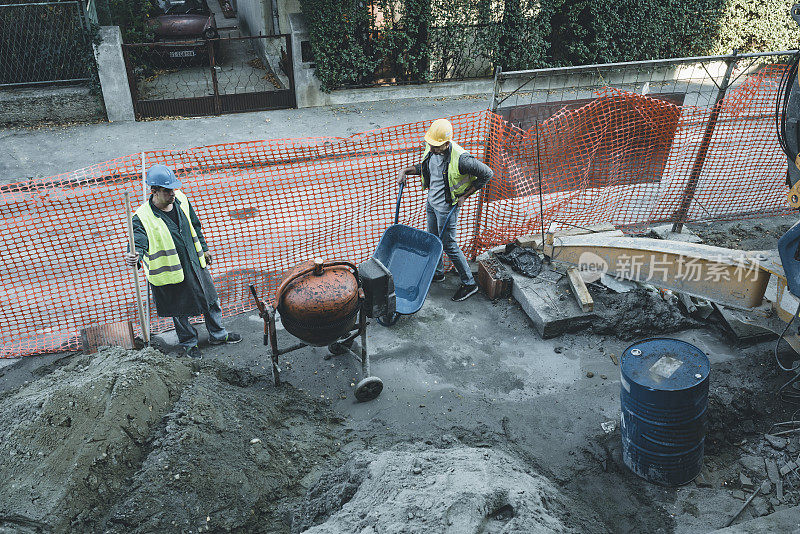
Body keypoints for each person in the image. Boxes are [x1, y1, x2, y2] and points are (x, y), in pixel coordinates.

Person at [123, 164, 241, 359]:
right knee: (180, 311)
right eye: (167, 190)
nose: (172, 193)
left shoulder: (181, 199)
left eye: (173, 189)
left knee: (210, 300)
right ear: (154, 191)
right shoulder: (142, 217)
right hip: (170, 272)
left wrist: (204, 248)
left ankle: (218, 335)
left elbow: (195, 226)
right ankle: (189, 343)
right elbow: (138, 243)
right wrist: (134, 255)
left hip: (194, 262)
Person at [396, 118, 494, 301]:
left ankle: (469, 283)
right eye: (430, 144)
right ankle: (438, 272)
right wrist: (404, 171)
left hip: (447, 207)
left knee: (448, 244)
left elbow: (487, 173)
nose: (431, 148)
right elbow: (425, 167)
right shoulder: (433, 147)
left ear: (447, 143)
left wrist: (465, 196)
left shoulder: (463, 159)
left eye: (436, 146)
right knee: (433, 239)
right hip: (432, 203)